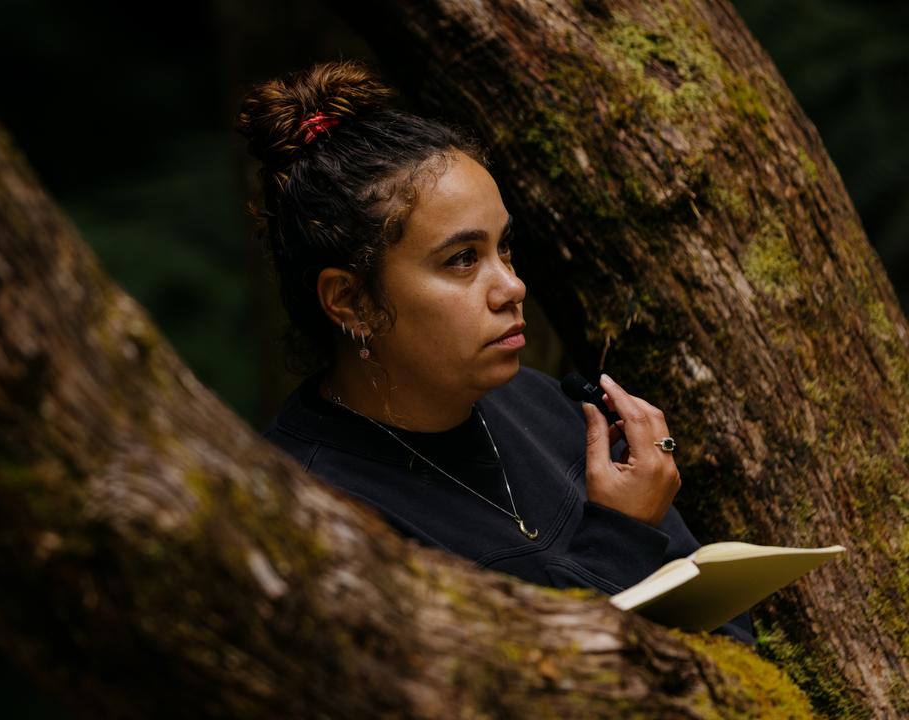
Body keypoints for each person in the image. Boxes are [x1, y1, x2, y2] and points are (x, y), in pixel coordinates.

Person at [236, 60, 754, 645]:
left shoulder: (545, 406)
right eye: (462, 259)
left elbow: (727, 630)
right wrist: (620, 533)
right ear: (350, 299)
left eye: (504, 248)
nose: (512, 286)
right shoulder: (311, 511)